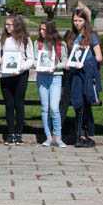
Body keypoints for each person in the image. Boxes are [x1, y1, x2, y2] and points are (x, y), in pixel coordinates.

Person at [0, 13, 35, 145]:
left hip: (20, 75)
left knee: (19, 104)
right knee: (9, 104)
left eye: (9, 24)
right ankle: (10, 133)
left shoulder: (25, 39)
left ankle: (19, 134)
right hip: (5, 75)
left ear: (16, 25)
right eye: (5, 24)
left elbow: (30, 59)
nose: (6, 27)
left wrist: (21, 68)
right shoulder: (2, 38)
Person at [67, 7, 102, 148]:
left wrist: (86, 63)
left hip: (87, 74)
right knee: (78, 104)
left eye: (80, 20)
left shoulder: (92, 36)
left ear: (85, 21)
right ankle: (80, 134)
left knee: (87, 104)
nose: (77, 23)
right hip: (76, 74)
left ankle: (90, 135)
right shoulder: (72, 36)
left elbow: (99, 57)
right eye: (75, 20)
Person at [36, 19, 66, 147]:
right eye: (40, 29)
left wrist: (55, 66)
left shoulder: (60, 44)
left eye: (44, 29)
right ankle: (48, 137)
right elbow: (35, 59)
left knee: (54, 108)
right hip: (42, 77)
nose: (41, 31)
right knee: (45, 108)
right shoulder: (38, 43)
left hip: (55, 77)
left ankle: (58, 137)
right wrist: (39, 66)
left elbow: (65, 61)